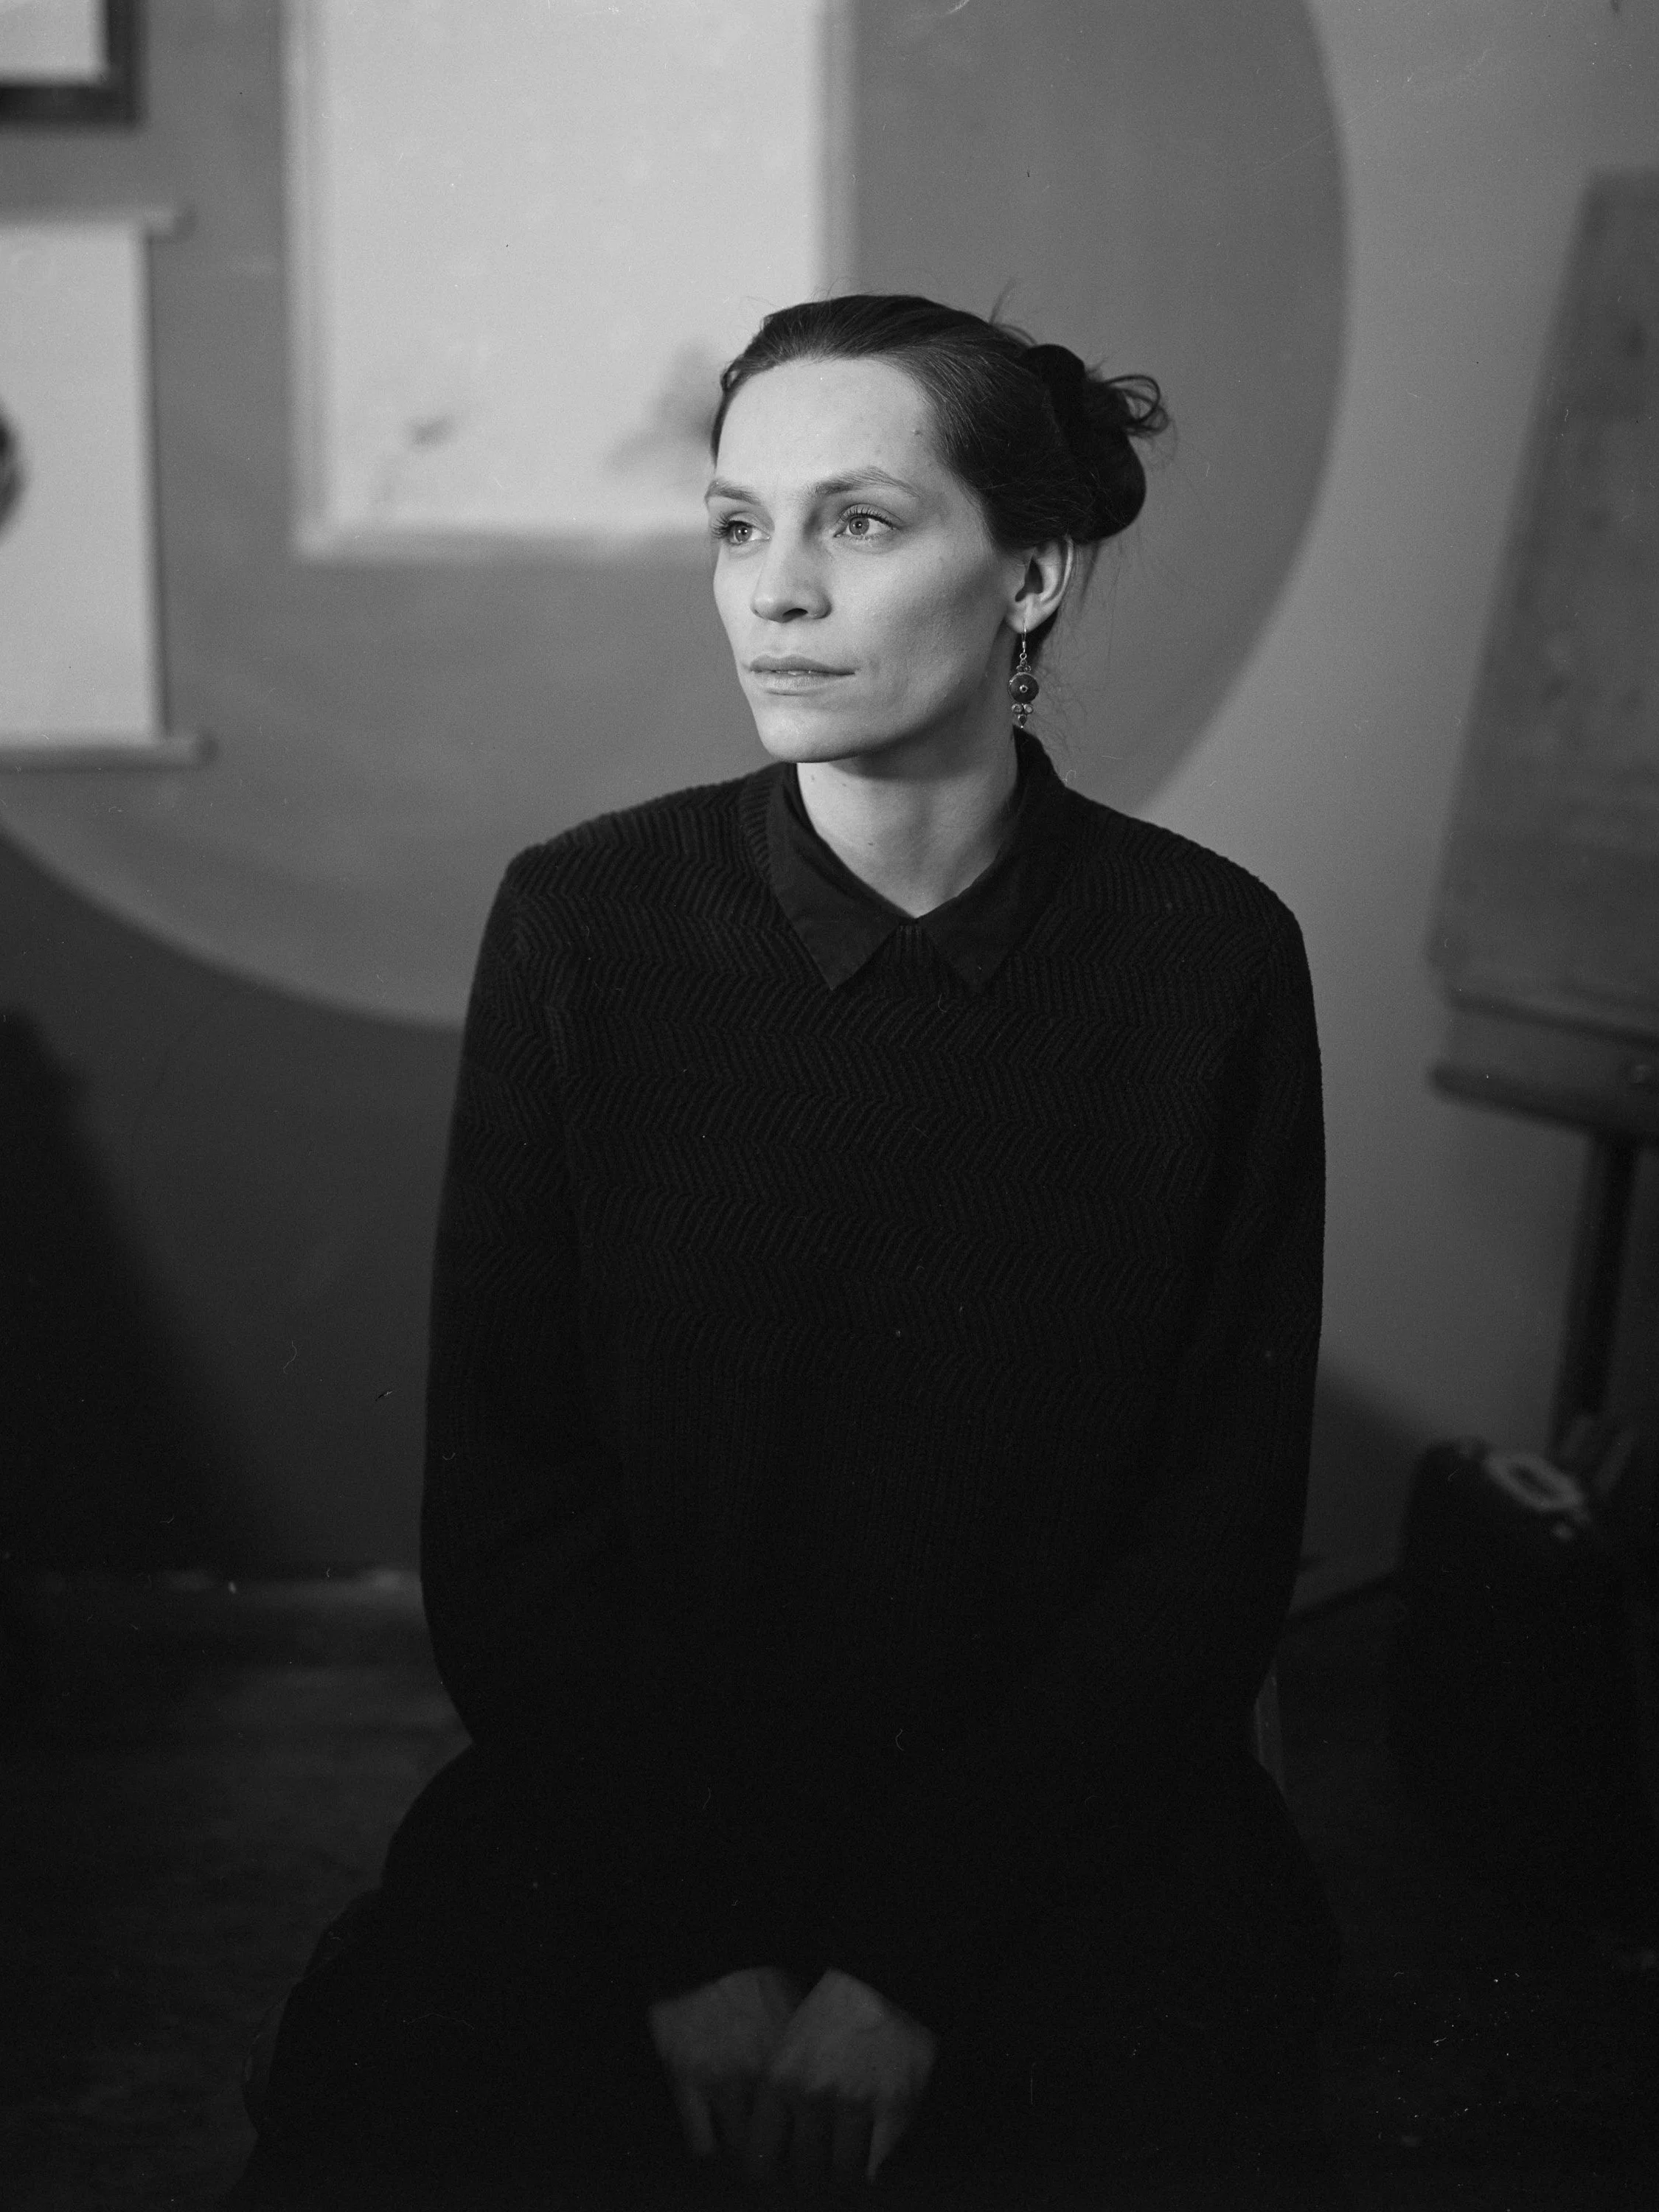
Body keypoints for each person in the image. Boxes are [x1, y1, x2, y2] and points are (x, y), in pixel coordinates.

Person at [229, 294, 1340, 2209]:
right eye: (739, 526)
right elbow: (508, 1502)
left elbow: (1214, 1539)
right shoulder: (585, 926)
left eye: (862, 522)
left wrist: (913, 1971)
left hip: (1062, 1830)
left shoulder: (1209, 961)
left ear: (1034, 575)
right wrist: (693, 1945)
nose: (778, 590)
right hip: (644, 1821)